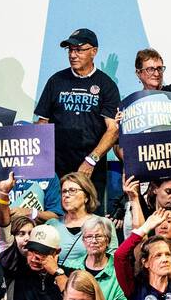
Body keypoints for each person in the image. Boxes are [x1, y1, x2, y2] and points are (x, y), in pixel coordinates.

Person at [34, 27, 121, 205]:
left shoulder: (106, 85)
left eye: (79, 50)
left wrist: (91, 160)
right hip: (56, 169)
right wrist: (41, 163)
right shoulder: (56, 81)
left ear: (94, 52)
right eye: (70, 50)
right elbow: (42, 124)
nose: (73, 55)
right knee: (56, 218)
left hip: (91, 169)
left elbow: (113, 130)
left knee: (91, 223)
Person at [76, 215, 127, 300]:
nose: (93, 241)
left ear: (108, 240)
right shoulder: (72, 267)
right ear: (83, 241)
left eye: (98, 236)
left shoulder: (118, 269)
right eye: (89, 237)